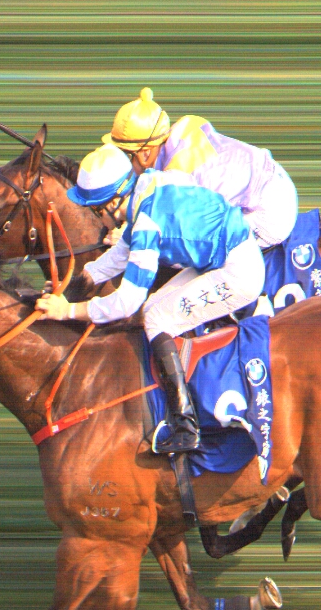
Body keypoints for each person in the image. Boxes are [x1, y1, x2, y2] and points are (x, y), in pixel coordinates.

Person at [34, 144, 263, 454]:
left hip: (238, 272)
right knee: (155, 307)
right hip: (224, 256)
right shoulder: (147, 186)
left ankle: (186, 425)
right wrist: (77, 283)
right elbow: (120, 253)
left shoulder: (146, 224)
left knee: (154, 317)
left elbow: (126, 302)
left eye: (95, 210)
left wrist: (67, 311)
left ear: (113, 202)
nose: (97, 218)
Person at [102, 87, 299, 251]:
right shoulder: (176, 136)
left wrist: (130, 240)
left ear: (145, 154)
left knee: (187, 257)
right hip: (274, 180)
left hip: (269, 214)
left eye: (126, 155)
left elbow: (178, 235)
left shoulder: (179, 176)